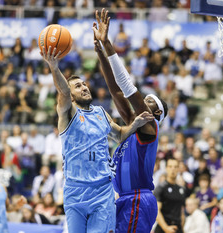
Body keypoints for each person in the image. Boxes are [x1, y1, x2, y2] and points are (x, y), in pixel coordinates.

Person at [40, 32, 154, 233]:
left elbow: (119, 135)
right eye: (78, 86)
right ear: (71, 95)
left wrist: (135, 124)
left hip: (102, 191)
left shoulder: (101, 112)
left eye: (84, 84)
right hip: (75, 190)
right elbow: (63, 93)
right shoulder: (68, 112)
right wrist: (54, 66)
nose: (84, 87)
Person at [93, 9, 168, 233]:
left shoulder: (150, 129)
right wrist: (100, 54)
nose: (143, 102)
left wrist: (108, 45)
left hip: (138, 199)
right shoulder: (134, 129)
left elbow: (126, 87)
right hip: (125, 199)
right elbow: (116, 92)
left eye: (149, 103)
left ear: (155, 115)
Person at [154, 158, 186, 233]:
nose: (173, 169)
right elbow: (156, 211)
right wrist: (166, 228)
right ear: (166, 168)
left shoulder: (181, 189)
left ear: (178, 169)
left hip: (177, 228)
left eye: (175, 167)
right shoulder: (161, 188)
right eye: (170, 166)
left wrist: (182, 228)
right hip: (163, 228)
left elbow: (181, 211)